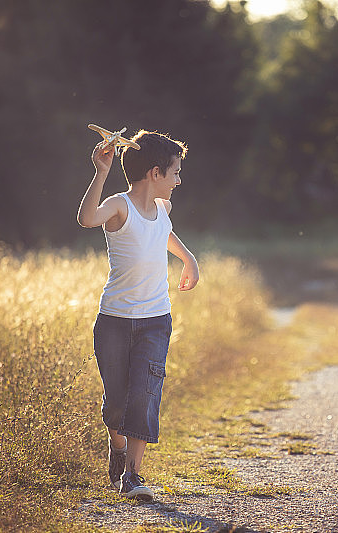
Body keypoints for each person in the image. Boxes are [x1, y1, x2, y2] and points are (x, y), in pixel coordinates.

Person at [77, 129, 199, 501]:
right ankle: (116, 447)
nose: (179, 181)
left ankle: (132, 475)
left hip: (155, 320)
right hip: (114, 320)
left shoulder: (164, 210)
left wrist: (188, 257)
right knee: (116, 400)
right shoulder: (118, 205)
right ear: (155, 173)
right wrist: (100, 172)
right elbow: (86, 219)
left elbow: (163, 234)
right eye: (175, 173)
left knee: (145, 394)